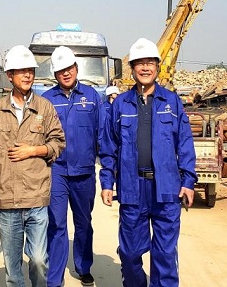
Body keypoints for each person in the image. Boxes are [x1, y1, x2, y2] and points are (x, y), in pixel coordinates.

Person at [99, 38, 197, 287]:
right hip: (133, 188)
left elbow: (185, 143)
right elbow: (109, 147)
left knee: (165, 255)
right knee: (130, 252)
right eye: (139, 63)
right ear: (132, 69)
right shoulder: (120, 104)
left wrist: (188, 181)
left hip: (166, 189)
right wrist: (107, 182)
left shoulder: (171, 102)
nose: (145, 68)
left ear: (157, 67)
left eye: (150, 63)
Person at [0, 44, 66, 287]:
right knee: (12, 268)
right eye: (21, 70)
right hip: (7, 199)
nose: (27, 75)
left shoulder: (45, 108)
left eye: (30, 70)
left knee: (38, 259)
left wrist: (33, 150)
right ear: (9, 75)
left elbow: (58, 143)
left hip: (36, 197)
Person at [42, 46, 103, 287]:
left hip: (84, 172)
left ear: (76, 68)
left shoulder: (92, 96)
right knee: (56, 223)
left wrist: (108, 170)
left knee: (84, 223)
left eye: (69, 68)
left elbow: (101, 134)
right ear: (55, 74)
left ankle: (83, 266)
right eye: (60, 70)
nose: (66, 73)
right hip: (56, 171)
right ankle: (54, 277)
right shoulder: (47, 99)